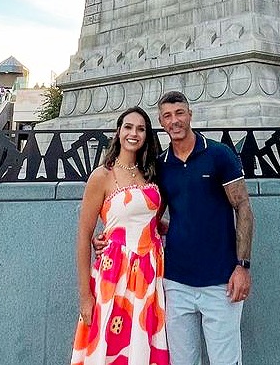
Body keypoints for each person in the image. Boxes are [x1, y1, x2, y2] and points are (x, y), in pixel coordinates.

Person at [156, 90, 254, 365]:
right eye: (167, 116)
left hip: (221, 281)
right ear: (161, 123)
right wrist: (111, 238)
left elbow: (243, 207)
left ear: (190, 115)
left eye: (179, 113)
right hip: (176, 282)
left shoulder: (219, 155)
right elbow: (151, 213)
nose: (174, 120)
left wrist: (242, 266)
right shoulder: (161, 165)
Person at [71, 107, 168, 365]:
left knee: (142, 347)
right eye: (128, 127)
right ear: (118, 131)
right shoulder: (102, 176)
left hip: (149, 274)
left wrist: (161, 226)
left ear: (147, 135)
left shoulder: (151, 173)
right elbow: (84, 235)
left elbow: (149, 218)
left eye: (140, 128)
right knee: (110, 346)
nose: (133, 133)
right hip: (114, 275)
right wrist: (85, 296)